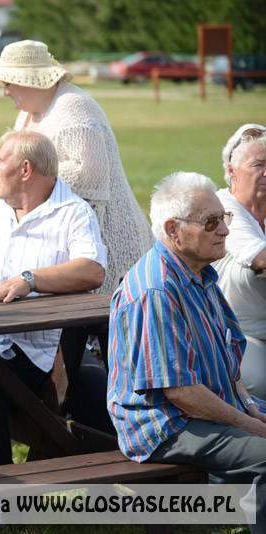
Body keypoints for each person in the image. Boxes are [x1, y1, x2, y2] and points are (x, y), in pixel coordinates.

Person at [0, 130, 107, 463]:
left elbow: (92, 270)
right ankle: (0, 490)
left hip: (46, 354)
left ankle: (1, 491)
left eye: (0, 160)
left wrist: (31, 280)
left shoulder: (73, 212)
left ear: (25, 169)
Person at [108, 171, 266, 530]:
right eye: (211, 222)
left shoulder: (199, 274)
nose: (224, 230)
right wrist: (251, 425)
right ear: (173, 230)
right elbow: (180, 392)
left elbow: (228, 362)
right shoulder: (158, 290)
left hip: (203, 409)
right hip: (166, 425)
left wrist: (252, 410)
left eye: (223, 218)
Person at [0, 39, 152, 294]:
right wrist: (9, 170)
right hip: (70, 240)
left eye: (8, 83)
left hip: (111, 240)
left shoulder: (74, 107)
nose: (5, 91)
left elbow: (89, 173)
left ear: (29, 80)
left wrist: (24, 174)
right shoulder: (27, 113)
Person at [214, 124, 266, 397]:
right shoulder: (223, 209)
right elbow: (259, 259)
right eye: (259, 165)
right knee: (260, 380)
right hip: (235, 332)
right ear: (232, 172)